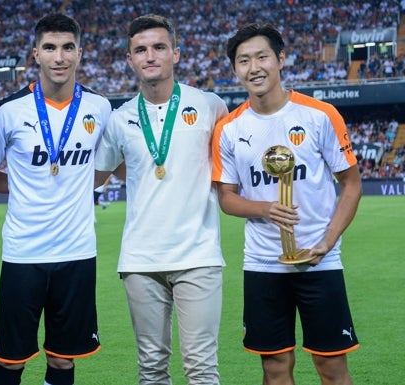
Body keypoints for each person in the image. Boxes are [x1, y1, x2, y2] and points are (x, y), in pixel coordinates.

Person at [212, 23, 362, 385]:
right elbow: (227, 198)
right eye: (243, 60)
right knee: (275, 366)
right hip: (262, 264)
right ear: (235, 69)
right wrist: (264, 209)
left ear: (280, 59)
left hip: (319, 261)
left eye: (262, 57)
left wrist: (327, 242)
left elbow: (351, 185)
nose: (254, 67)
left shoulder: (320, 115)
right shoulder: (229, 128)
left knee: (331, 366)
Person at [0, 13, 111, 385]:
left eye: (68, 47)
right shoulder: (8, 111)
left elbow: (106, 166)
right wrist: (21, 184)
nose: (59, 57)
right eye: (50, 48)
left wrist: (83, 183)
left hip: (77, 253)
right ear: (36, 53)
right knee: (10, 360)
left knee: (64, 361)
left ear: (80, 53)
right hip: (24, 254)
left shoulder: (100, 109)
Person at [94, 14, 228, 385]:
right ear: (130, 59)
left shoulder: (209, 105)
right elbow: (99, 174)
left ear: (176, 53)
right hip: (140, 260)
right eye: (141, 49)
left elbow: (232, 163)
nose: (150, 55)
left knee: (201, 368)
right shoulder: (120, 120)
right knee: (151, 369)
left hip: (198, 256)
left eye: (158, 47)